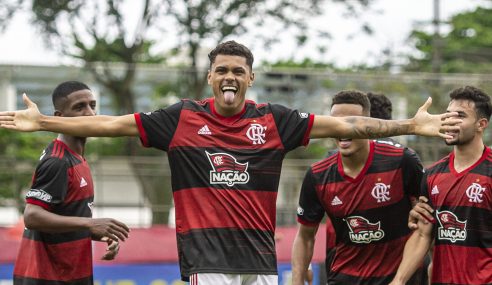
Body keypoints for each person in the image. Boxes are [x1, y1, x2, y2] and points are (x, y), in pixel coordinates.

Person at [0, 41, 459, 285]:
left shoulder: (276, 121)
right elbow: (113, 124)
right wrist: (41, 122)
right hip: (208, 259)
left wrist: (409, 127)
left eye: (238, 70)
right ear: (209, 76)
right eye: (222, 69)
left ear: (251, 78)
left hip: (260, 262)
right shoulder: (180, 118)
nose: (229, 77)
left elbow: (346, 128)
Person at [292, 90, 425, 284]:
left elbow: (425, 225)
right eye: (335, 122)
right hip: (344, 277)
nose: (342, 128)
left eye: (351, 121)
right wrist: (297, 278)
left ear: (369, 124)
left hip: (397, 278)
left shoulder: (402, 161)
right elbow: (305, 236)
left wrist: (401, 279)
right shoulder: (317, 175)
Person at [12, 81, 130, 285]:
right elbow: (32, 216)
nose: (90, 113)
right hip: (46, 278)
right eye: (79, 107)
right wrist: (90, 223)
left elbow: (62, 219)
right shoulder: (58, 161)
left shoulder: (77, 158)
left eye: (92, 105)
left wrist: (96, 232)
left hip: (71, 275)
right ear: (59, 117)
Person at [390, 86, 492, 285]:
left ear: (481, 124)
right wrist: (399, 280)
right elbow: (422, 233)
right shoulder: (432, 174)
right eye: (447, 115)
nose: (449, 121)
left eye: (460, 116)